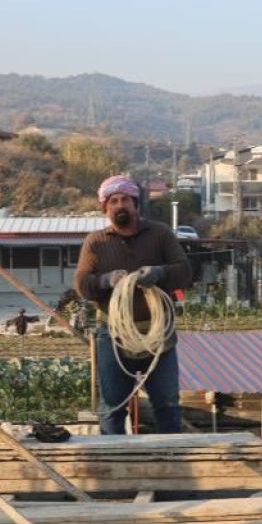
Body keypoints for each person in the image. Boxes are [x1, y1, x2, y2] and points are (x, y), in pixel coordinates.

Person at [75, 175, 192, 434]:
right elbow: (83, 286)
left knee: (168, 403)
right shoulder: (96, 242)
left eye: (125, 200)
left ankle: (173, 459)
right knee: (113, 405)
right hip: (114, 334)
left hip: (158, 333)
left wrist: (159, 273)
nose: (120, 206)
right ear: (105, 208)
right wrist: (107, 280)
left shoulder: (160, 234)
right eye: (113, 201)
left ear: (136, 205)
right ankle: (112, 462)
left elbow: (184, 272)